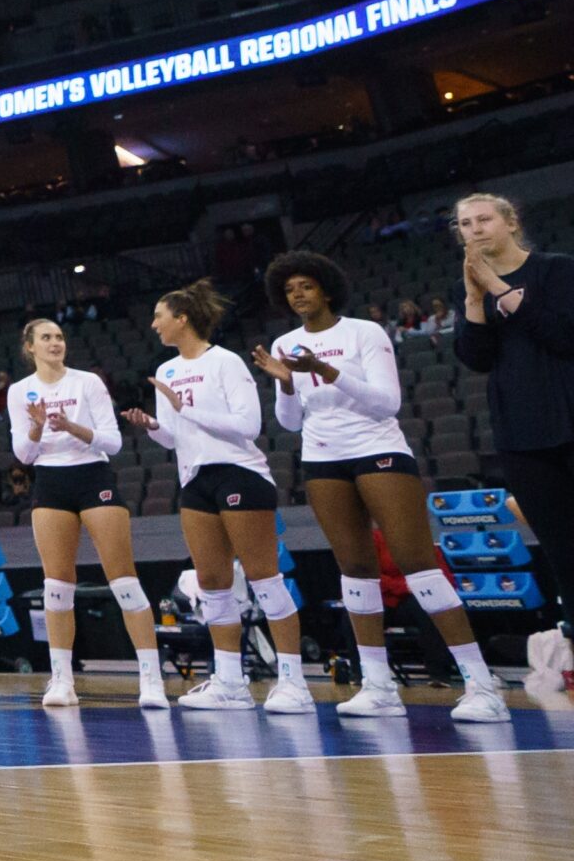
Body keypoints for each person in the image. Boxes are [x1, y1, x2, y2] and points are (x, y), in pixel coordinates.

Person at [255, 249, 509, 722]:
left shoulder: (364, 332)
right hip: (322, 456)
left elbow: (387, 403)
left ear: (327, 289)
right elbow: (289, 423)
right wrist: (287, 383)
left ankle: (482, 686)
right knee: (353, 566)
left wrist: (328, 370)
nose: (298, 295)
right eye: (290, 290)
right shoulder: (286, 343)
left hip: (377, 450)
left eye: (306, 286)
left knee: (417, 563)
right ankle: (378, 686)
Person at [118, 280, 315, 713]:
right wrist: (152, 424)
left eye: (159, 315)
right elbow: (173, 439)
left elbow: (248, 426)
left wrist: (184, 408)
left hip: (240, 474)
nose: (153, 324)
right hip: (196, 479)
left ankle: (294, 683)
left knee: (264, 579)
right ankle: (230, 683)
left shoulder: (224, 362)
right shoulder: (166, 371)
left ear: (182, 318)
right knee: (211, 583)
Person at [9, 318, 167, 708]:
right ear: (29, 346)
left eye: (60, 336)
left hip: (93, 475)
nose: (55, 342)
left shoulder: (87, 382)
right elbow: (24, 455)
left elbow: (112, 442)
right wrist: (37, 428)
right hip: (50, 481)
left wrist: (73, 428)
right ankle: (62, 681)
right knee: (57, 585)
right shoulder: (19, 391)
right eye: (46, 337)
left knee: (124, 580)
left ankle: (151, 681)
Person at [454, 192, 574, 680]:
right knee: (561, 548)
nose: (475, 229)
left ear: (510, 222)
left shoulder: (556, 269)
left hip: (569, 416)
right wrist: (470, 299)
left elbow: (563, 335)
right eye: (465, 224)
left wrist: (497, 286)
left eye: (484, 219)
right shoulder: (476, 287)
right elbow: (476, 357)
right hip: (521, 434)